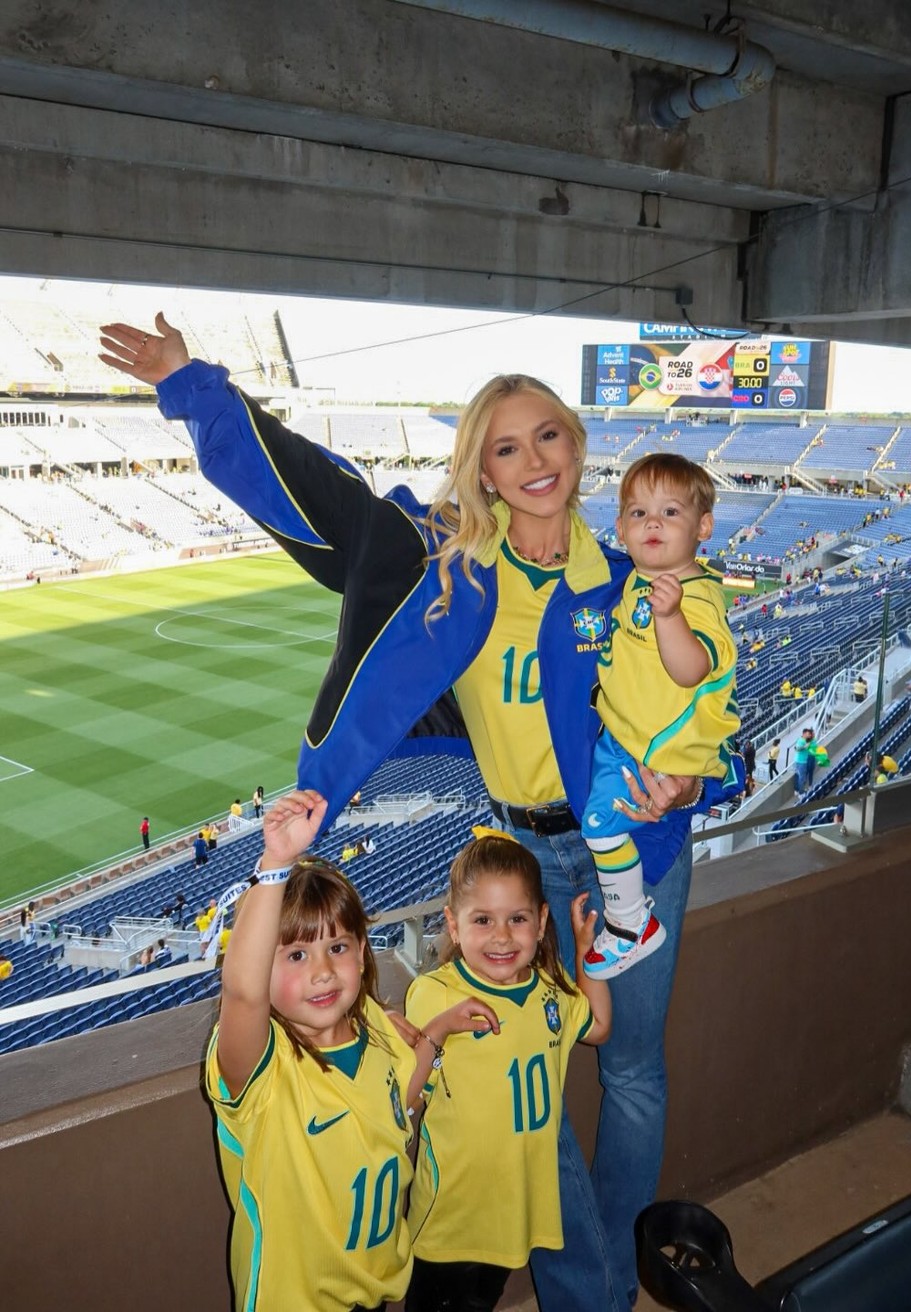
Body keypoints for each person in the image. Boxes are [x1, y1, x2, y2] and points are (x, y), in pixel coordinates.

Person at [99, 318, 743, 1312]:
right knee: (535, 1079)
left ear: (578, 448)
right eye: (506, 446)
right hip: (524, 858)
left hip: (641, 848)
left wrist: (696, 781)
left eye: (550, 437)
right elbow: (322, 500)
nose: (534, 461)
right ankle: (596, 1288)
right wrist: (194, 387)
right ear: (481, 470)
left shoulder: (629, 581)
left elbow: (715, 703)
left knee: (633, 1073)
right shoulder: (446, 566)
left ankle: (608, 1278)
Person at [204, 789, 497, 1312]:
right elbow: (243, 994)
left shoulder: (378, 1032)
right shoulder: (263, 1073)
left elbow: (396, 1108)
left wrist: (434, 1035)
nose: (321, 971)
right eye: (295, 954)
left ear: (362, 954)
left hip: (375, 1288)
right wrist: (274, 864)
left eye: (337, 947)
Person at [404, 832, 611, 1312]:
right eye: (483, 920)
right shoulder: (435, 994)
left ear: (541, 922)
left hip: (513, 1215)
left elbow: (597, 1026)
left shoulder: (550, 992)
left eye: (517, 919)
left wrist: (586, 954)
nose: (501, 936)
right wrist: (436, 1032)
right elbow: (404, 1099)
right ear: (453, 926)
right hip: (452, 1222)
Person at [580, 455, 739, 978]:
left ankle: (630, 923)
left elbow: (693, 667)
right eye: (637, 512)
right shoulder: (644, 577)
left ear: (703, 527)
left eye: (670, 511)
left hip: (651, 754)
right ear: (621, 527)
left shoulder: (693, 596)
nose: (652, 523)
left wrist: (669, 619)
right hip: (631, 738)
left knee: (601, 830)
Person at [793, 728, 818, 794]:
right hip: (802, 761)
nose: (810, 735)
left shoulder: (809, 741)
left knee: (802, 775)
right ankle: (800, 792)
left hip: (805, 759)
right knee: (801, 777)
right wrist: (805, 747)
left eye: (810, 734)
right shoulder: (802, 741)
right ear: (804, 734)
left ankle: (800, 790)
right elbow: (797, 748)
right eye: (809, 734)